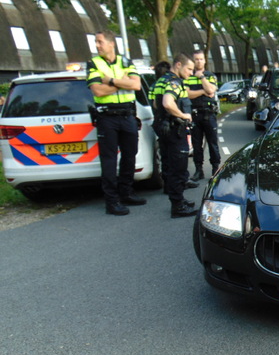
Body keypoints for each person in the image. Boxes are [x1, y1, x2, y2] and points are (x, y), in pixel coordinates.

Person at [87, 30, 145, 216]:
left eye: (100, 42)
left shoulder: (125, 61)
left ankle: (126, 193)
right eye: (96, 42)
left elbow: (136, 85)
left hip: (127, 115)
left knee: (130, 155)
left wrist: (111, 80)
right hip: (107, 118)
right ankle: (112, 202)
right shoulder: (94, 63)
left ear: (112, 43)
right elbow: (97, 91)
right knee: (110, 160)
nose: (97, 45)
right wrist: (123, 81)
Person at [152, 53, 198, 218]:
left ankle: (178, 200)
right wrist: (183, 116)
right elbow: (167, 103)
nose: (191, 73)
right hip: (174, 129)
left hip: (163, 128)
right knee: (178, 168)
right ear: (178, 65)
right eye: (189, 69)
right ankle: (178, 206)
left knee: (169, 165)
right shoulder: (174, 82)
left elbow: (156, 104)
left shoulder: (161, 80)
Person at [185, 50, 221, 181]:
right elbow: (188, 94)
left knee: (212, 143)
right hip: (195, 114)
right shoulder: (188, 76)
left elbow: (211, 91)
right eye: (196, 59)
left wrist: (202, 78)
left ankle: (215, 169)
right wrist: (203, 91)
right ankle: (198, 170)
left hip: (209, 113)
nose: (199, 61)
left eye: (201, 59)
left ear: (205, 60)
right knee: (196, 144)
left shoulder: (210, 75)